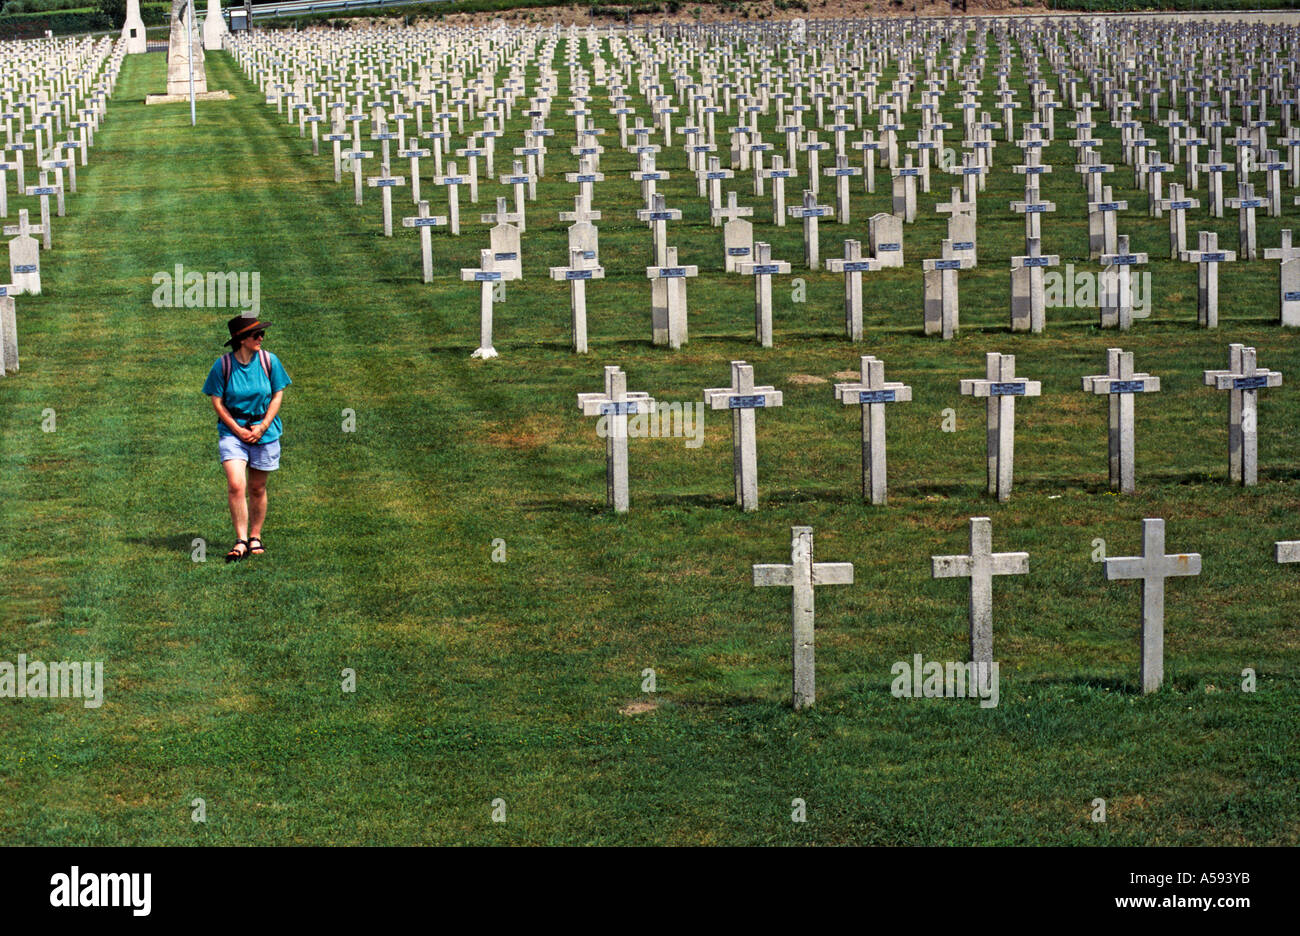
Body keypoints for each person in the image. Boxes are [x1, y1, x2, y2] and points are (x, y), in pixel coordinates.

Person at [202, 315, 291, 562]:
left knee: (257, 487)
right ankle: (240, 540)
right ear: (241, 339)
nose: (261, 338)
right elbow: (217, 402)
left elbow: (277, 394)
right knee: (236, 485)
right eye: (256, 335)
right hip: (233, 432)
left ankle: (255, 536)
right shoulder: (222, 366)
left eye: (262, 334)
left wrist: (262, 427)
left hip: (265, 431)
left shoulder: (269, 361)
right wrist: (237, 430)